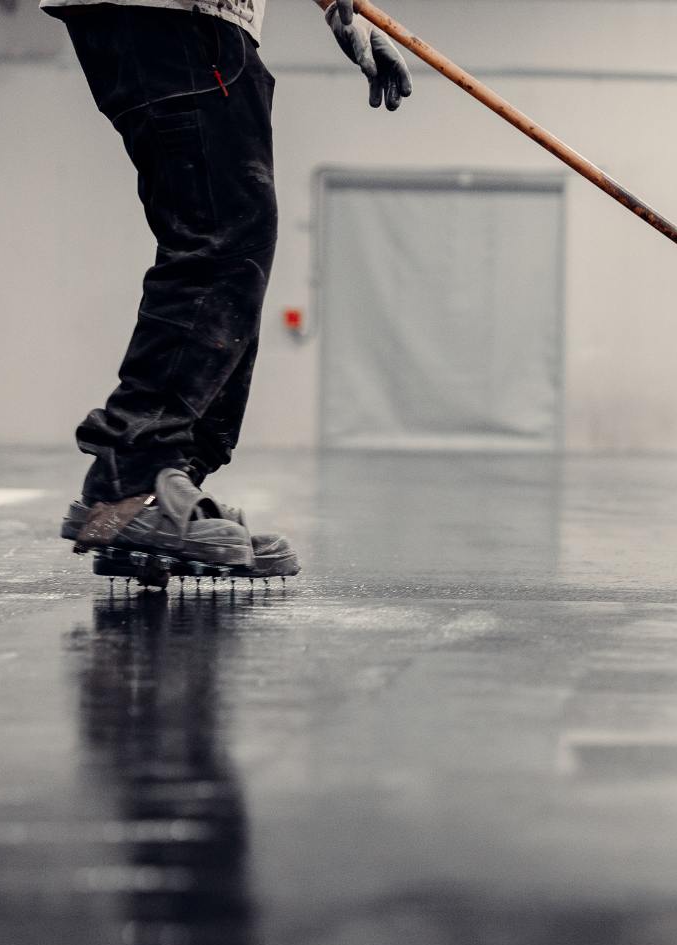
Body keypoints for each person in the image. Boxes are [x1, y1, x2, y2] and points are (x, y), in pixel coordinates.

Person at [47, 0, 414, 579]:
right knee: (222, 236)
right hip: (180, 19)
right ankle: (133, 480)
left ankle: (166, 484)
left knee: (232, 237)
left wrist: (342, 13)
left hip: (195, 23)